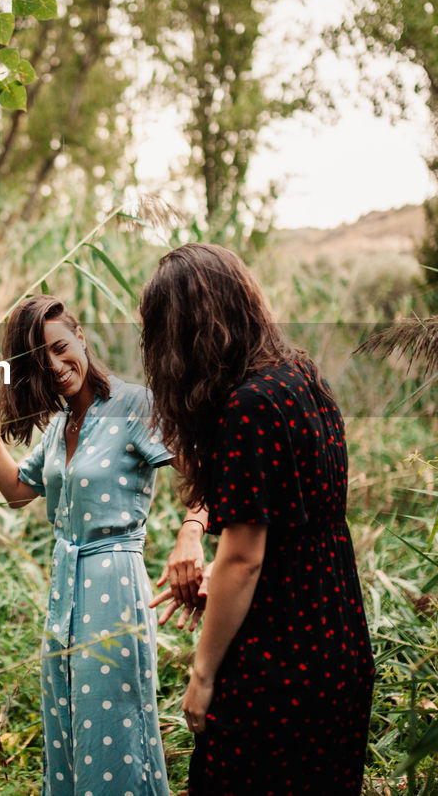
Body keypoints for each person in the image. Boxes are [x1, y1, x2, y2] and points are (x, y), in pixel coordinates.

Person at [138, 243, 375, 794]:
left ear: (184, 335)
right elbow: (292, 523)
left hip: (281, 662)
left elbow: (243, 560)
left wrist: (202, 674)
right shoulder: (302, 377)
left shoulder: (248, 408)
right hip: (337, 637)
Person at [0, 295, 202, 796]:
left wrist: (190, 534)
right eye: (42, 362)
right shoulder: (64, 422)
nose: (58, 366)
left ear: (81, 338)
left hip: (114, 587)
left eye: (62, 348)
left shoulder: (134, 405)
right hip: (64, 594)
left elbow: (207, 478)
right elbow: (17, 491)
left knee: (114, 734)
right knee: (66, 730)